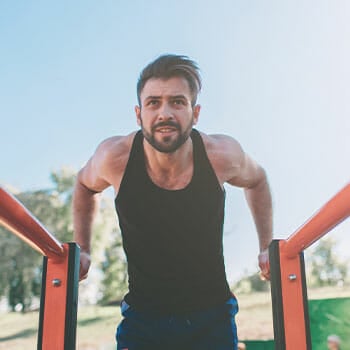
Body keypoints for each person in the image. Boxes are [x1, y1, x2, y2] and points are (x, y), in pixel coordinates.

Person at [73, 54, 273, 350]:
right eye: (154, 103)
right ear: (138, 114)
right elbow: (83, 185)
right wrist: (84, 248)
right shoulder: (114, 158)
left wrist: (266, 247)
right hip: (143, 319)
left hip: (212, 316)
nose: (165, 113)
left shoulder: (221, 155)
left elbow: (257, 180)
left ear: (196, 113)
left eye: (178, 102)